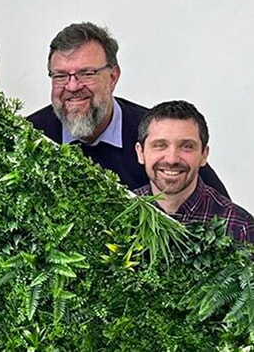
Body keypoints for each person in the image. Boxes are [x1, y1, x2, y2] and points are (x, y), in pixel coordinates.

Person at [26, 22, 229, 195]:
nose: (72, 86)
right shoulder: (28, 135)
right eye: (60, 76)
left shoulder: (155, 134)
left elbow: (219, 211)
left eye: (86, 73)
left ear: (113, 77)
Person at [135, 100, 253, 244]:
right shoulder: (119, 213)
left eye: (186, 146)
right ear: (140, 152)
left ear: (204, 155)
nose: (172, 159)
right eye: (160, 145)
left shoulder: (239, 226)